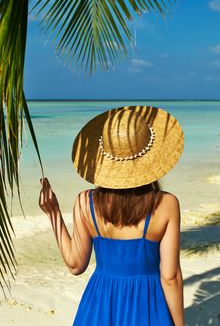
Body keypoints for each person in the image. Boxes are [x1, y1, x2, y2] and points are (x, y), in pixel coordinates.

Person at [39, 105, 185, 325]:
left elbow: (75, 265)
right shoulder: (166, 204)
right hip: (147, 307)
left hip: (99, 307)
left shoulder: (85, 202)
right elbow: (170, 277)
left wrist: (53, 213)